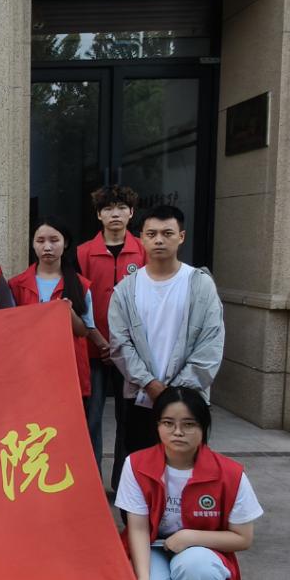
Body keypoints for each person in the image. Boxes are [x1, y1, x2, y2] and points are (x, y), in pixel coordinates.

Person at [116, 386, 262, 580]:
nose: (178, 432)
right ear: (157, 426)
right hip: (152, 547)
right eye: (168, 423)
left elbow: (243, 538)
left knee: (196, 567)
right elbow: (138, 528)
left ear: (203, 427)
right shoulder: (136, 465)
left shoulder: (230, 474)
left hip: (202, 551)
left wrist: (189, 537)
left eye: (189, 424)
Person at [108, 205, 225, 493]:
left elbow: (211, 342)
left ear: (181, 236)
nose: (159, 240)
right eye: (152, 234)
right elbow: (120, 344)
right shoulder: (126, 289)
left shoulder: (200, 285)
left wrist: (176, 392)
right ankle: (139, 520)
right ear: (141, 238)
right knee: (140, 474)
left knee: (187, 476)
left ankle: (182, 522)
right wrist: (149, 384)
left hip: (189, 399)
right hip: (140, 398)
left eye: (167, 233)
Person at [10, 217, 105, 441]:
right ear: (33, 244)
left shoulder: (80, 284)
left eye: (54, 240)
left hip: (68, 370)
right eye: (40, 241)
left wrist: (68, 312)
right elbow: (11, 329)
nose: (47, 247)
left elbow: (84, 330)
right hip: (29, 370)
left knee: (67, 436)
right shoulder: (16, 284)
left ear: (66, 243)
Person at [77, 186, 147, 483]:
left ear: (131, 213)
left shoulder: (143, 251)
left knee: (128, 418)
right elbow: (78, 302)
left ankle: (123, 483)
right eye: (107, 208)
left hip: (131, 352)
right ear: (98, 215)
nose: (114, 214)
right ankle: (91, 483)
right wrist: (99, 340)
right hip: (94, 349)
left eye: (120, 208)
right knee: (91, 418)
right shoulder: (82, 252)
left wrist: (124, 344)